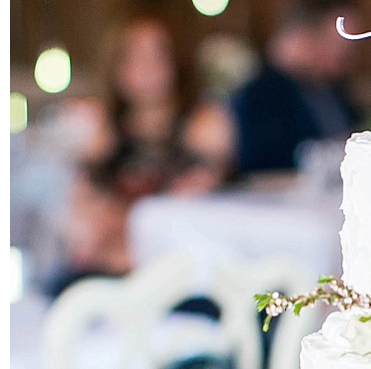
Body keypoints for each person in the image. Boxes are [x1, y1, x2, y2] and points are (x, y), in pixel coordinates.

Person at [56, 15, 236, 284]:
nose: (145, 67)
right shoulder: (105, 131)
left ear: (177, 61)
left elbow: (186, 215)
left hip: (189, 272)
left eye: (157, 55)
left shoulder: (204, 123)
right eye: (133, 56)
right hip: (116, 269)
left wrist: (119, 224)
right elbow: (82, 226)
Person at [231, 0, 359, 176]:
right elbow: (265, 164)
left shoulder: (335, 90)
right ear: (307, 37)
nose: (346, 55)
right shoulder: (262, 95)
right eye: (338, 43)